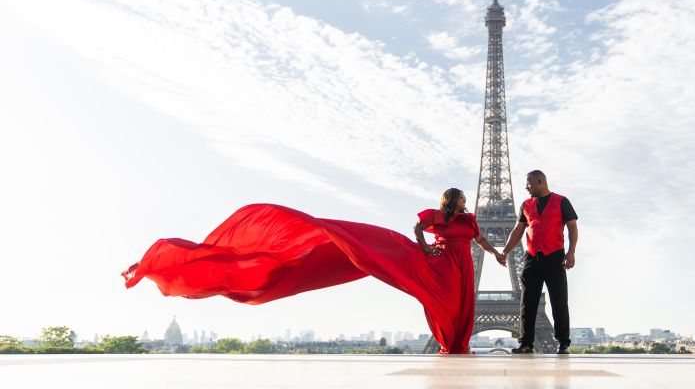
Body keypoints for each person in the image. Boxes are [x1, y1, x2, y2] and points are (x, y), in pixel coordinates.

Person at [122, 188, 502, 354]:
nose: (460, 201)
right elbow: (418, 230)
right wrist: (425, 248)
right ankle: (451, 343)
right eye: (457, 198)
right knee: (443, 301)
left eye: (460, 199)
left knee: (460, 303)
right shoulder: (436, 217)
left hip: (461, 265)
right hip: (441, 262)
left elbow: (480, 240)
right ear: (450, 200)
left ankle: (457, 344)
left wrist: (498, 254)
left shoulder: (467, 220)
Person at [496, 169, 578, 354]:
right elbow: (518, 230)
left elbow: (572, 228)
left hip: (554, 256)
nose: (526, 187)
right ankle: (526, 343)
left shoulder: (562, 201)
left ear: (540, 181)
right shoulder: (526, 205)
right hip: (532, 257)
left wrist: (571, 253)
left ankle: (563, 342)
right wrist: (506, 251)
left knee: (559, 301)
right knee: (527, 302)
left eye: (529, 183)